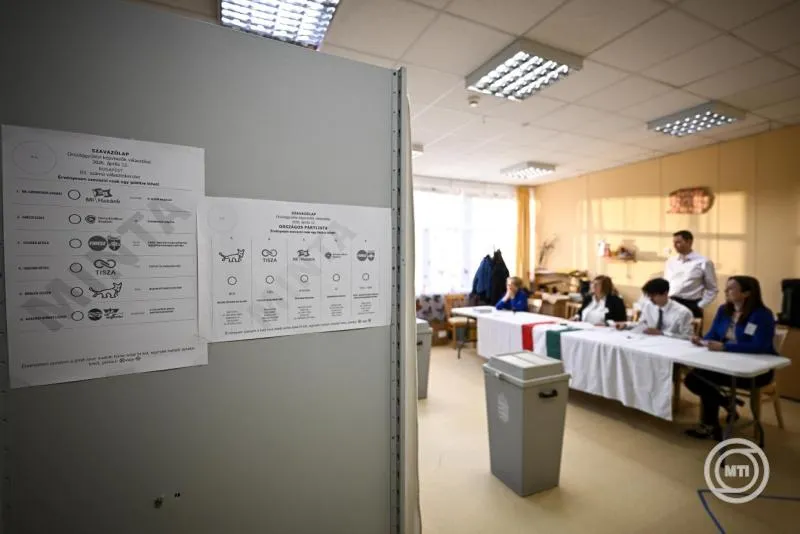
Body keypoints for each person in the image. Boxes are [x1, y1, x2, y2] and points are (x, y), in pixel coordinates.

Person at [683, 276, 778, 440]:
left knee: (703, 379)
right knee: (695, 378)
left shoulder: (762, 315)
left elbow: (759, 346)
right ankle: (726, 404)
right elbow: (713, 334)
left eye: (731, 288)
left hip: (755, 371)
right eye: (727, 287)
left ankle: (711, 424)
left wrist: (725, 347)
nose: (726, 291)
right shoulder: (724, 310)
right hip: (727, 363)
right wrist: (701, 340)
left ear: (746, 293)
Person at [663, 230, 718, 319]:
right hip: (671, 303)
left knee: (691, 328)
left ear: (689, 242)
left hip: (691, 304)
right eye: (674, 242)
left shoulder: (703, 262)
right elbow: (666, 283)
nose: (674, 245)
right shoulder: (671, 261)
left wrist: (700, 305)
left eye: (678, 242)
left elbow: (712, 289)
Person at [617, 278, 694, 337]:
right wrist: (627, 325)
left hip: (671, 346)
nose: (650, 299)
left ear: (665, 293)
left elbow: (687, 337)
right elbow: (641, 324)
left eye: (653, 295)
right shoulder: (648, 306)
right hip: (650, 342)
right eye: (649, 296)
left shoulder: (683, 312)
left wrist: (662, 333)